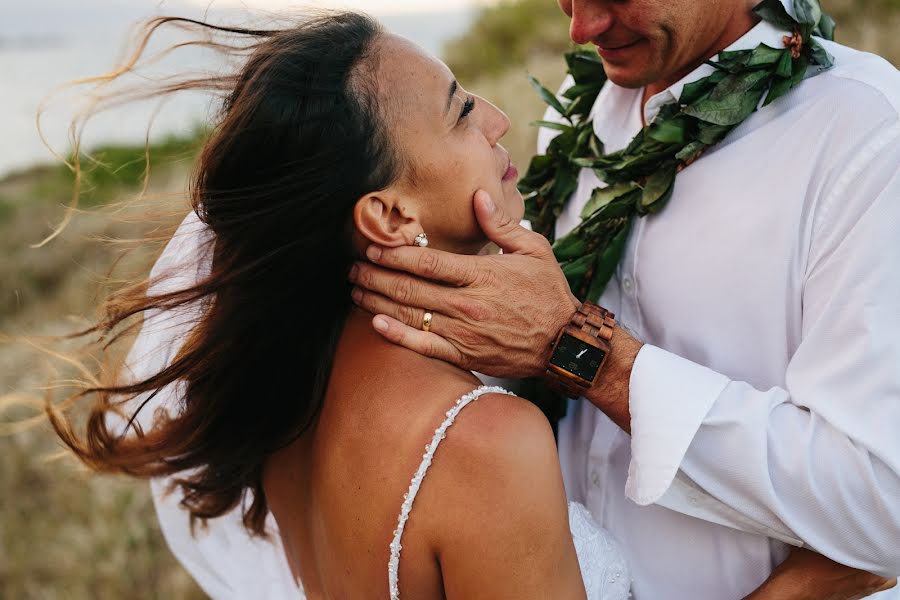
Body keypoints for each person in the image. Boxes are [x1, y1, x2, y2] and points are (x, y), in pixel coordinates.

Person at [46, 7, 893, 600]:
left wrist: (573, 349)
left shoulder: (292, 400)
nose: (579, 30)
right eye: (459, 110)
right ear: (386, 215)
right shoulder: (482, 441)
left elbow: (884, 504)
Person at [347, 0, 900, 598]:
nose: (582, 30)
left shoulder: (868, 133)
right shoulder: (583, 107)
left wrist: (589, 358)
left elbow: (882, 500)